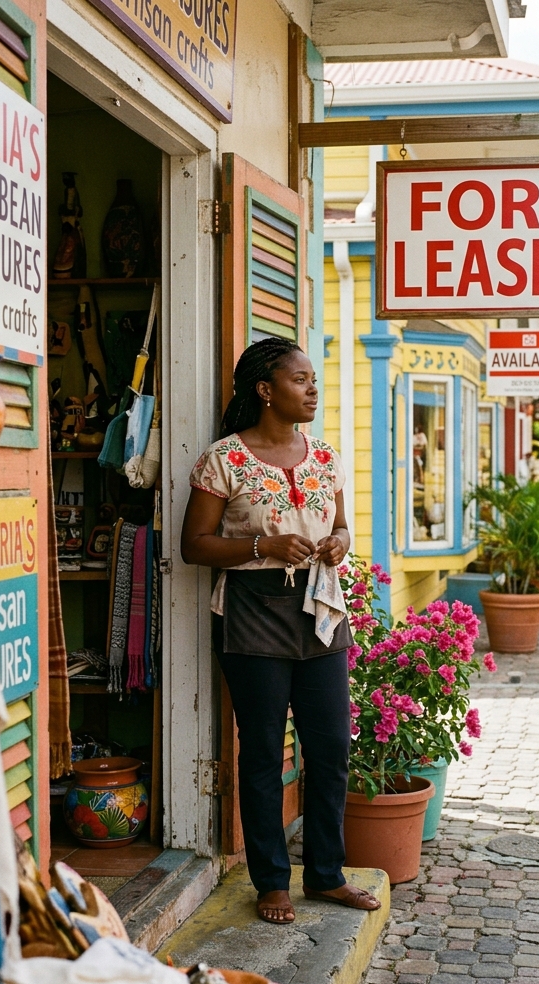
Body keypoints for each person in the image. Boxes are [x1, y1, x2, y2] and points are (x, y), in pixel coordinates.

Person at [180, 337, 381, 925]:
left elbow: (341, 526)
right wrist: (261, 545)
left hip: (319, 614)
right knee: (264, 752)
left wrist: (339, 543)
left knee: (330, 748)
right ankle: (270, 881)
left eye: (314, 379)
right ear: (265, 390)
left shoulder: (324, 456)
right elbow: (194, 546)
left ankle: (325, 875)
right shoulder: (224, 460)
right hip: (252, 612)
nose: (312, 389)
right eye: (300, 380)